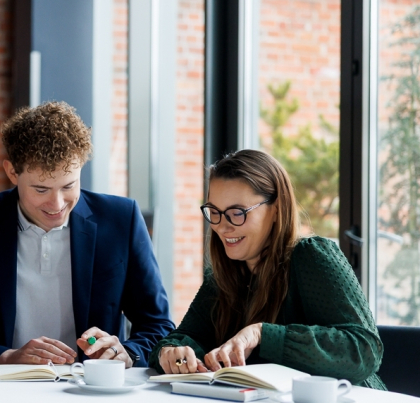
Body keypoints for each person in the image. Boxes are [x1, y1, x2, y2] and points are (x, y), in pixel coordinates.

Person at [0, 101, 174, 368]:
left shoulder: (122, 220)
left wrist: (128, 353)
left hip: (91, 393)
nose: (57, 204)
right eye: (41, 189)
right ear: (11, 172)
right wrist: (6, 356)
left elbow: (159, 326)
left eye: (69, 186)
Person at [150, 149, 385, 388]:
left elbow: (364, 351)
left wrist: (261, 334)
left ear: (276, 209)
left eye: (237, 213)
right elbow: (186, 337)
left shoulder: (311, 256)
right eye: (215, 212)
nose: (222, 227)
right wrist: (172, 353)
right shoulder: (224, 276)